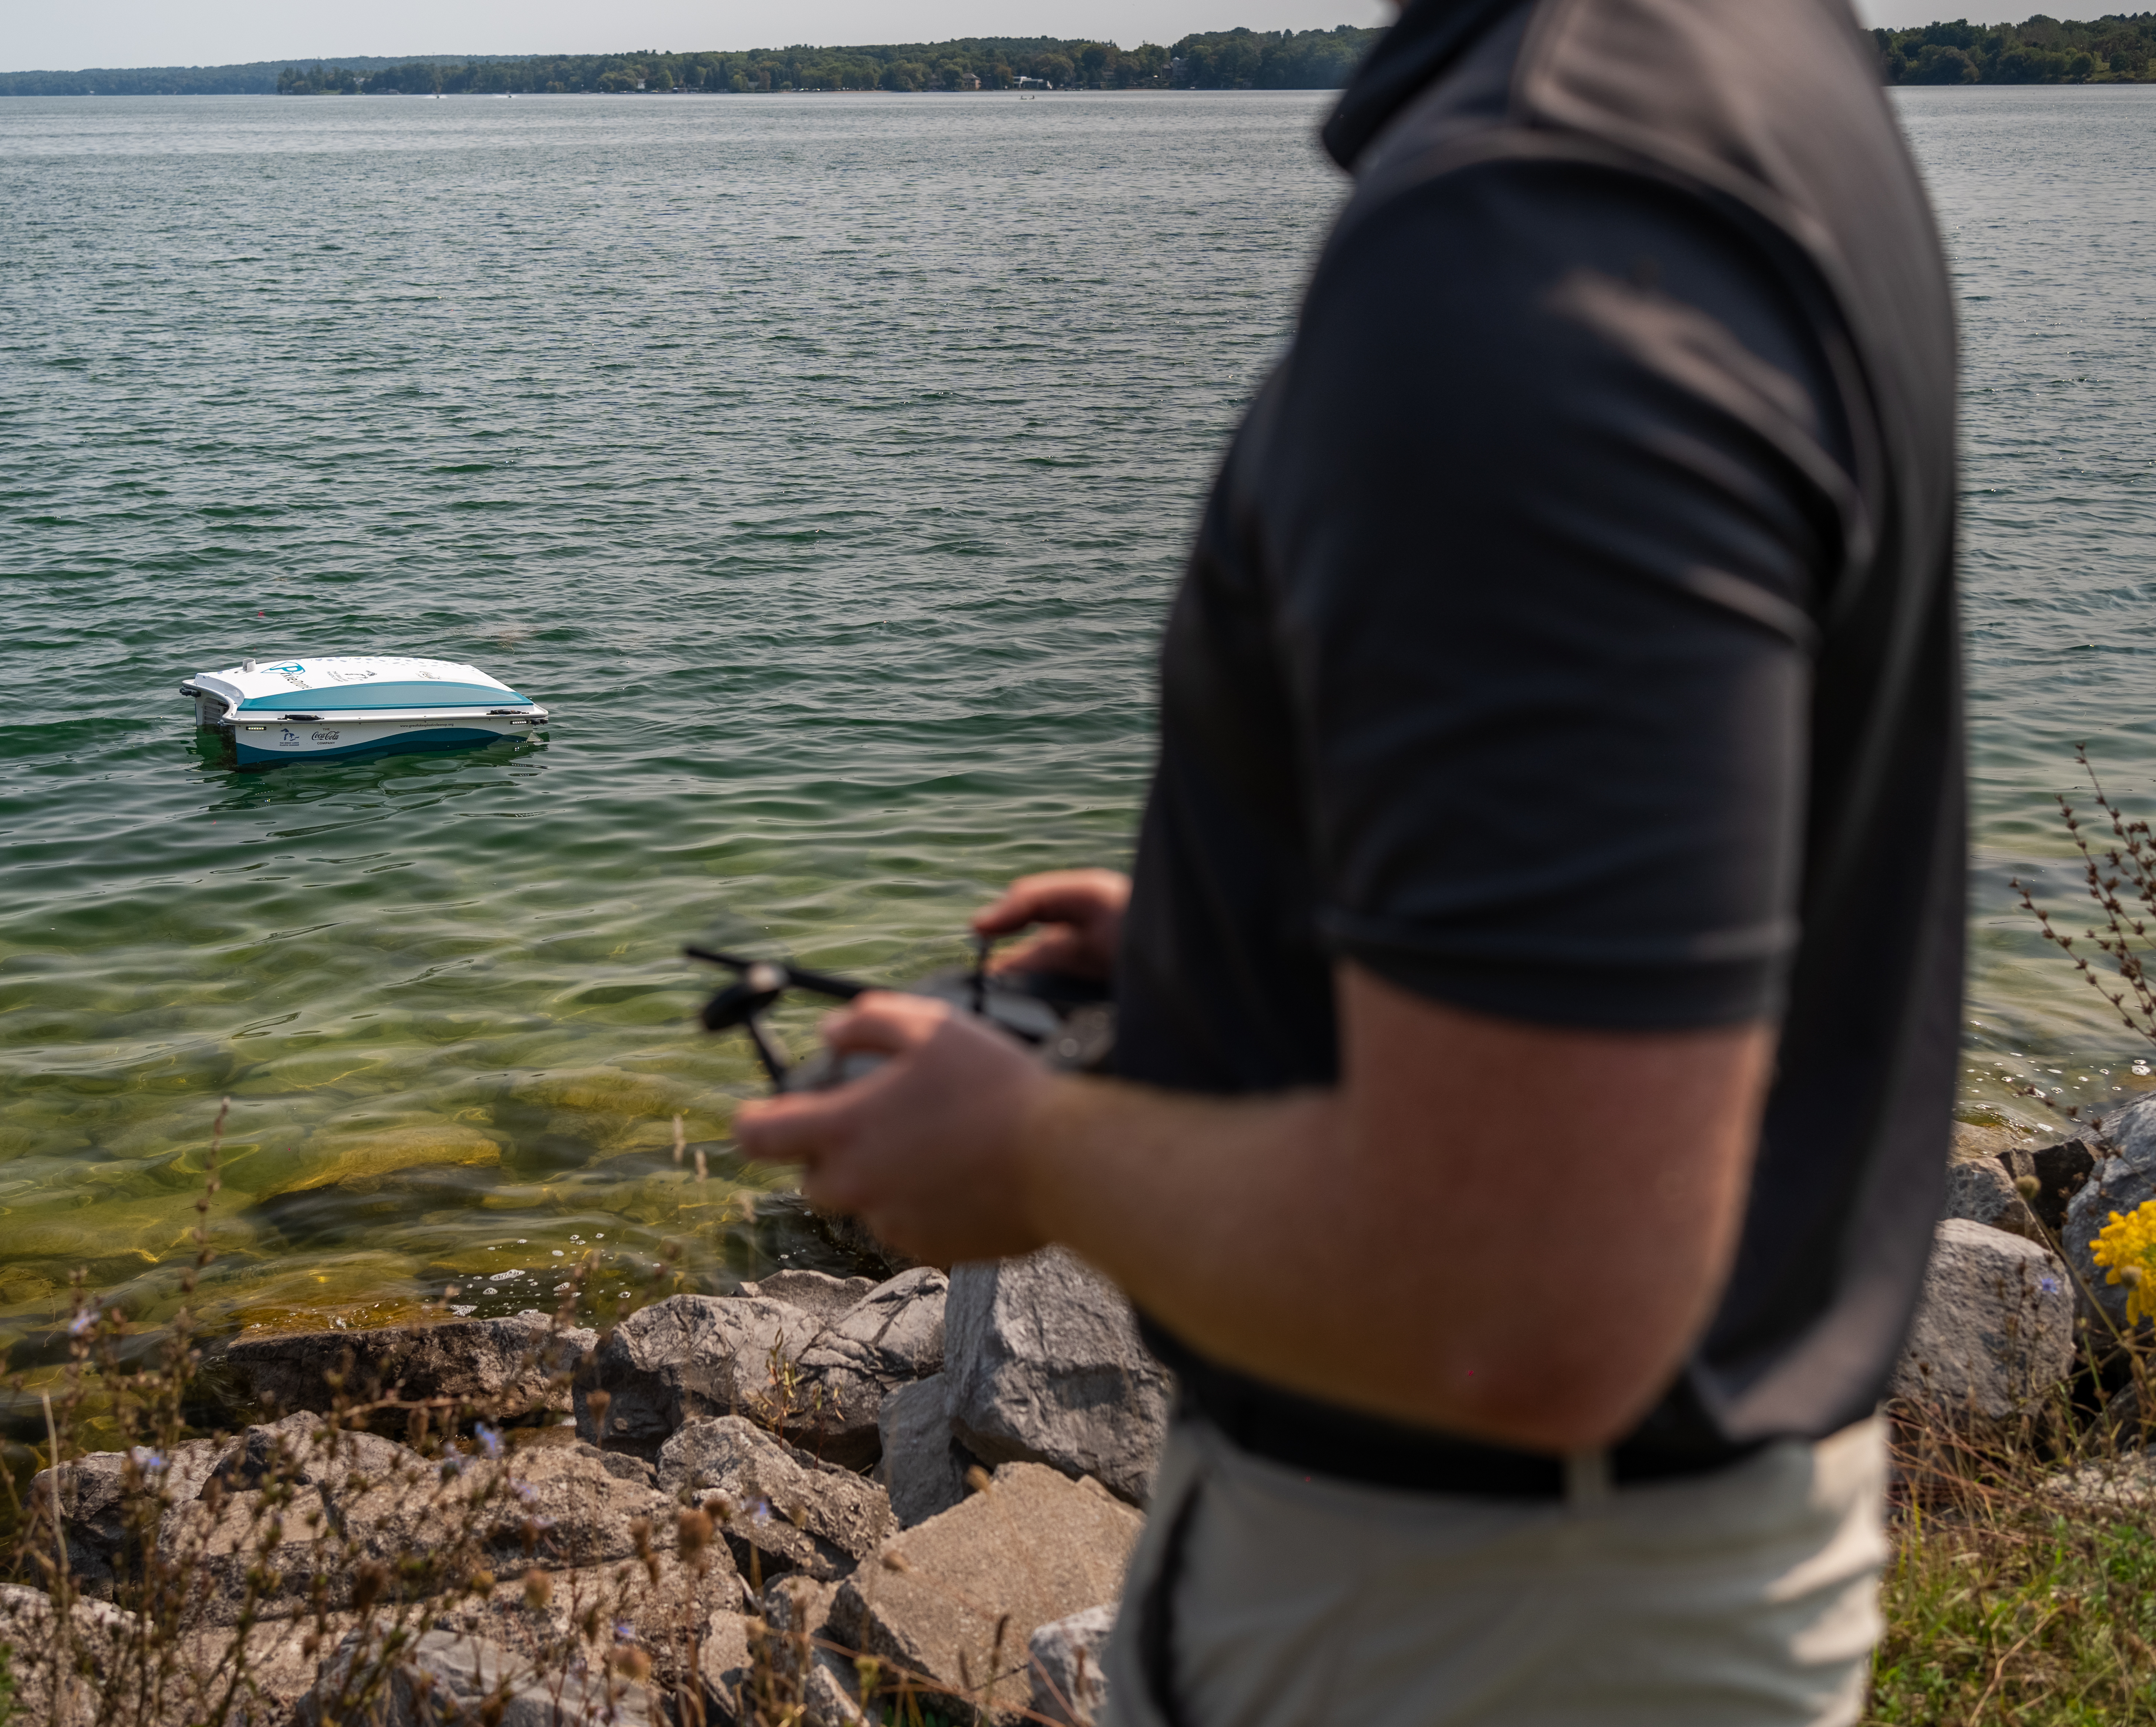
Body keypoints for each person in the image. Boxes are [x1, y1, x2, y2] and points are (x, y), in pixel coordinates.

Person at [734, 0, 1960, 1720]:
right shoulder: (1743, 67)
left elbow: (1531, 1295)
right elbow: (1718, 844)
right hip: (1604, 1579)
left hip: (1475, 1620)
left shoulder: (1541, 224)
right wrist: (1260, 937)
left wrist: (1038, 1157)